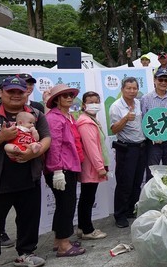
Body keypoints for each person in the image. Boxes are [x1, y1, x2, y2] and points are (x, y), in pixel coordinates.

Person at [0, 76, 50, 267]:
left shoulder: (36, 114)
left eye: (20, 92)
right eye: (11, 91)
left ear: (27, 93)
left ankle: (25, 253)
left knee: (29, 219)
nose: (16, 95)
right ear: (1, 92)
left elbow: (47, 138)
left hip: (29, 178)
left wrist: (34, 154)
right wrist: (2, 137)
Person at [43, 84, 86, 257]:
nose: (69, 97)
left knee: (63, 205)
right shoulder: (54, 118)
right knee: (66, 206)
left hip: (69, 166)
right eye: (65, 95)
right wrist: (57, 170)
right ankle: (64, 246)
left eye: (71, 95)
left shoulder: (67, 116)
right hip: (61, 168)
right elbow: (54, 146)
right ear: (56, 99)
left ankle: (58, 240)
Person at [109, 77, 146, 229]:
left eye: (134, 88)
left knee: (137, 181)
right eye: (128, 88)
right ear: (122, 89)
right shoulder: (116, 106)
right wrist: (125, 118)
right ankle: (120, 215)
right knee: (125, 183)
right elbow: (114, 129)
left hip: (141, 147)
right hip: (126, 148)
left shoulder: (139, 102)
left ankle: (131, 210)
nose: (132, 91)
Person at [75, 91, 109, 240]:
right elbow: (91, 147)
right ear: (83, 105)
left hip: (91, 166)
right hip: (91, 167)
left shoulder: (90, 119)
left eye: (96, 101)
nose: (94, 105)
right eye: (90, 102)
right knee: (87, 198)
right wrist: (100, 167)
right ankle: (88, 230)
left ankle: (82, 227)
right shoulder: (86, 122)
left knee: (86, 197)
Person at [140, 69, 167, 181]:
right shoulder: (146, 98)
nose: (163, 82)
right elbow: (144, 120)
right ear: (155, 80)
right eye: (160, 79)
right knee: (152, 169)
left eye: (166, 80)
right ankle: (151, 194)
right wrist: (152, 137)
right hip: (153, 141)